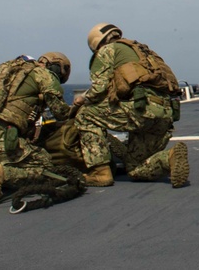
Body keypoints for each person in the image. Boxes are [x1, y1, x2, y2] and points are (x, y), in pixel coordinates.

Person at [74, 23, 188, 188]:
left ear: (97, 44)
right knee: (135, 168)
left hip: (143, 109)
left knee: (85, 115)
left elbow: (99, 89)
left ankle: (100, 172)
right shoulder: (143, 52)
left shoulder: (107, 50)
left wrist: (81, 100)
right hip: (165, 114)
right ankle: (168, 157)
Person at [0, 52, 74, 201]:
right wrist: (77, 108)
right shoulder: (43, 75)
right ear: (56, 67)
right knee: (45, 165)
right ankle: (2, 174)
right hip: (4, 141)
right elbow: (61, 113)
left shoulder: (7, 72)